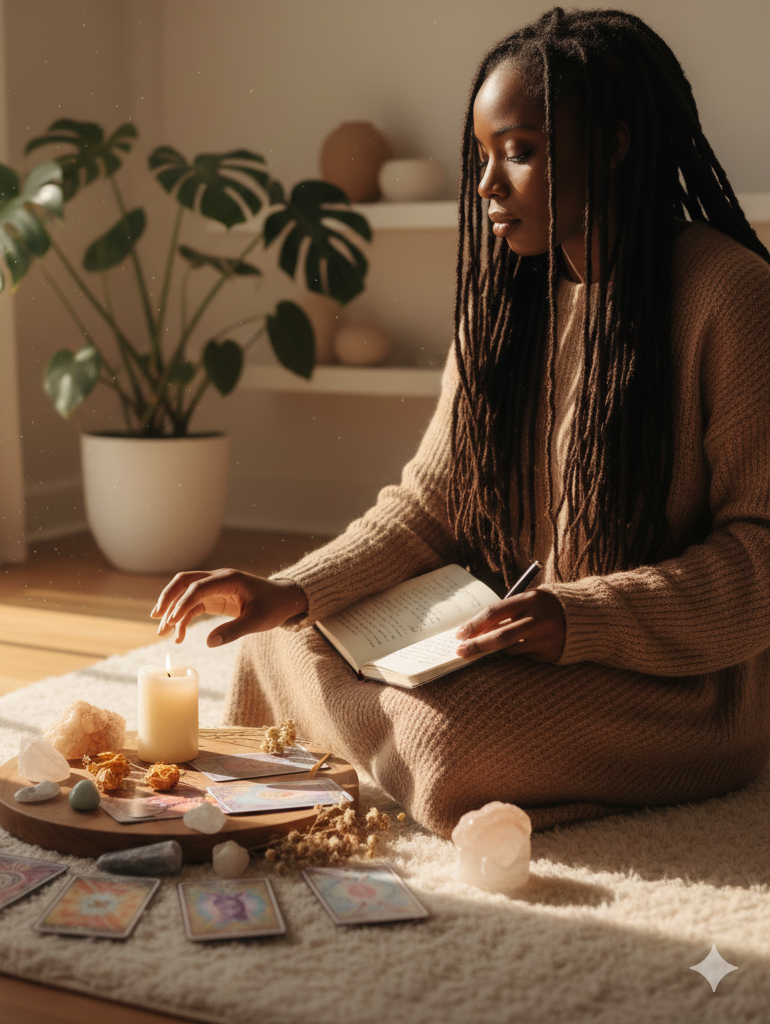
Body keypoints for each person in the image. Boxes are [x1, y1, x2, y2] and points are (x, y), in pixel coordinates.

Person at [151, 7, 770, 835]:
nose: (486, 184)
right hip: (511, 630)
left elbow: (759, 551)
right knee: (275, 639)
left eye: (519, 151)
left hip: (679, 683)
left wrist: (579, 617)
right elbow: (431, 505)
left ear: (617, 144)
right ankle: (386, 736)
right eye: (482, 156)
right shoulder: (506, 306)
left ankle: (395, 749)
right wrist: (293, 589)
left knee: (452, 736)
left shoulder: (729, 297)